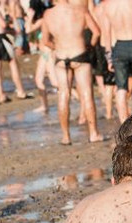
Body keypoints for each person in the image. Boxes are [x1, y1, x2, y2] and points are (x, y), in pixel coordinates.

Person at [41, 0, 103, 144]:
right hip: (80, 54)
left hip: (61, 57)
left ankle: (66, 136)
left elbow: (45, 41)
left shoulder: (48, 14)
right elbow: (96, 32)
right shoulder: (80, 10)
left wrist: (56, 47)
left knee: (63, 95)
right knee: (87, 94)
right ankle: (93, 133)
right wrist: (89, 47)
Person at [99, 0, 132, 121]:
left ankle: (124, 123)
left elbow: (106, 34)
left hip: (120, 46)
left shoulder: (107, 6)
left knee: (121, 88)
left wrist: (109, 57)